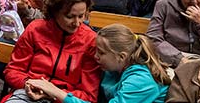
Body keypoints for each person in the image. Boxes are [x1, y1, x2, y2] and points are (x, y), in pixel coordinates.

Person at [20, 24, 171, 103]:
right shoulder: (114, 69)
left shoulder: (141, 80)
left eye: (101, 52)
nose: (96, 57)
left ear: (121, 56)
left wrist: (57, 92)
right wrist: (49, 94)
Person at [4, 0, 101, 103]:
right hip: (29, 93)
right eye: (69, 16)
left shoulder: (91, 41)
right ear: (55, 12)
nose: (77, 23)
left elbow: (89, 96)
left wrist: (54, 93)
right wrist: (28, 84)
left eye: (81, 16)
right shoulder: (35, 29)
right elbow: (12, 70)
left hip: (66, 99)